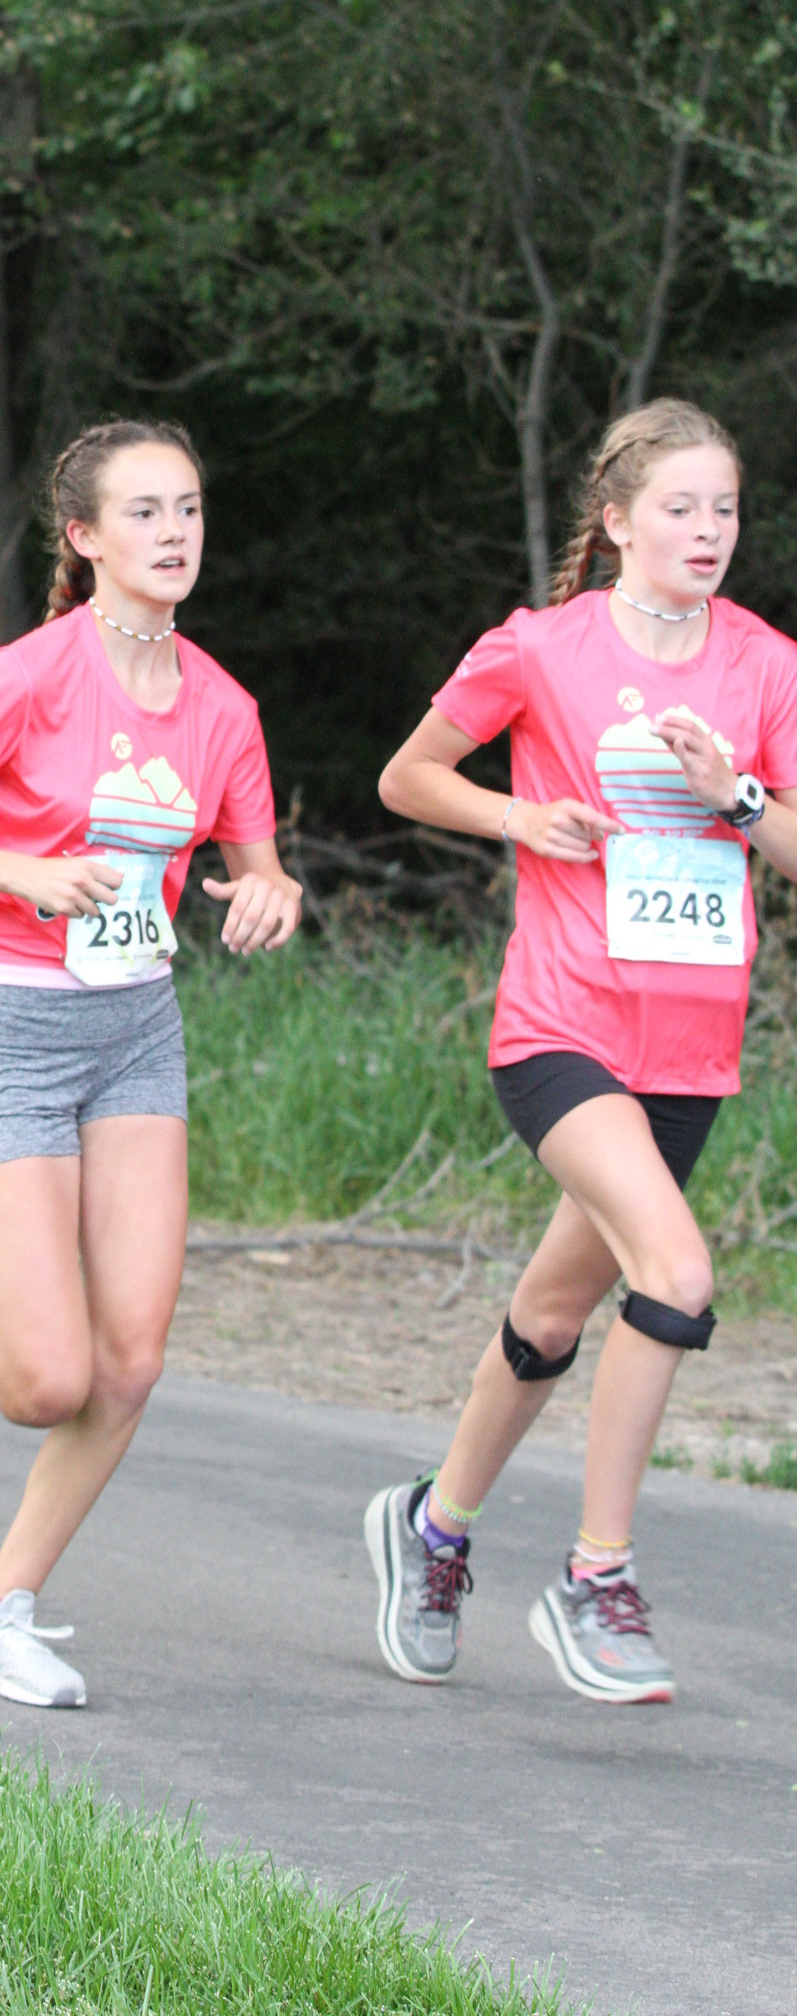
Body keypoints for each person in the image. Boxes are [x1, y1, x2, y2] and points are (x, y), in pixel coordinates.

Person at [0, 419, 301, 1707]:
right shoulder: (28, 678)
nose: (175, 533)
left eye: (189, 508)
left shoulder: (223, 707)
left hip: (139, 1030)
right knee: (47, 1382)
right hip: (16, 1027)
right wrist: (18, 874)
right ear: (85, 537)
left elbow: (258, 867)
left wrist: (272, 896)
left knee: (130, 1363)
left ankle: (1, 1612)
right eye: (144, 513)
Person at [366, 398, 797, 1703]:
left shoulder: (766, 665)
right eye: (681, 507)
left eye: (726, 509)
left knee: (555, 1310)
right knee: (677, 1272)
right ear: (615, 522)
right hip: (559, 1027)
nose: (708, 530)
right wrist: (520, 816)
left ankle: (433, 1529)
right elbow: (408, 777)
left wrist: (738, 795)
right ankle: (595, 1577)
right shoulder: (540, 648)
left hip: (690, 1050)